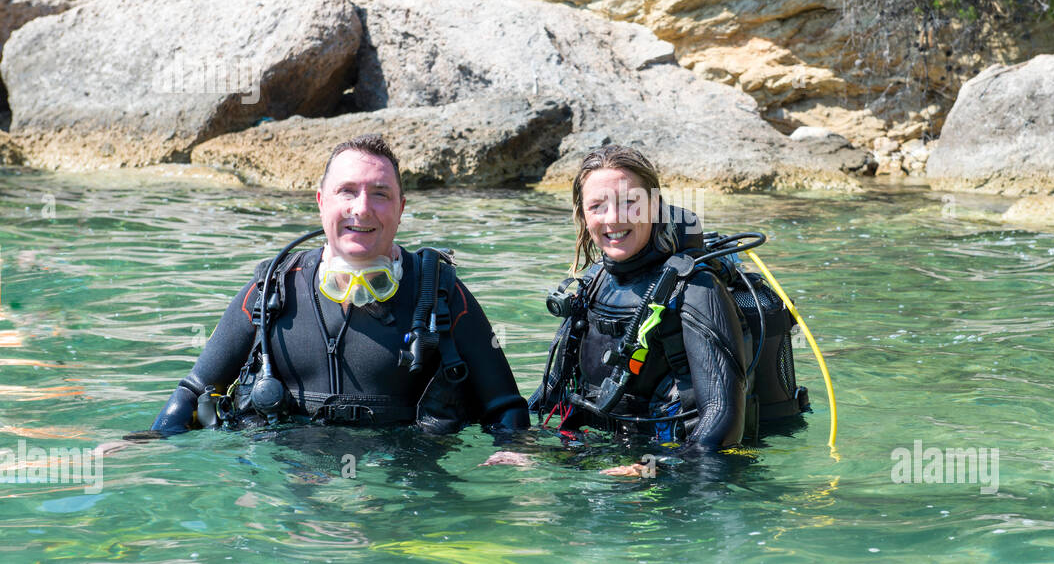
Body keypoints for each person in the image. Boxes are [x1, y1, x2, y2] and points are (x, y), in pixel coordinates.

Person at [144, 134, 529, 437]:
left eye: (380, 193)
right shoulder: (273, 289)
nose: (362, 208)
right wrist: (145, 444)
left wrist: (513, 458)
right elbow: (193, 394)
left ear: (401, 208)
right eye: (347, 191)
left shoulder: (440, 294)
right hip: (292, 492)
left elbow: (507, 408)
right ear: (321, 201)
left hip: (409, 492)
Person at [529, 145, 749, 462]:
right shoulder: (592, 284)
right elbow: (553, 392)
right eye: (597, 206)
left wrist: (654, 468)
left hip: (676, 472)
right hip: (602, 456)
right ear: (582, 214)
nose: (613, 219)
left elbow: (723, 419)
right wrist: (521, 445)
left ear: (655, 205)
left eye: (629, 203)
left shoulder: (696, 288)